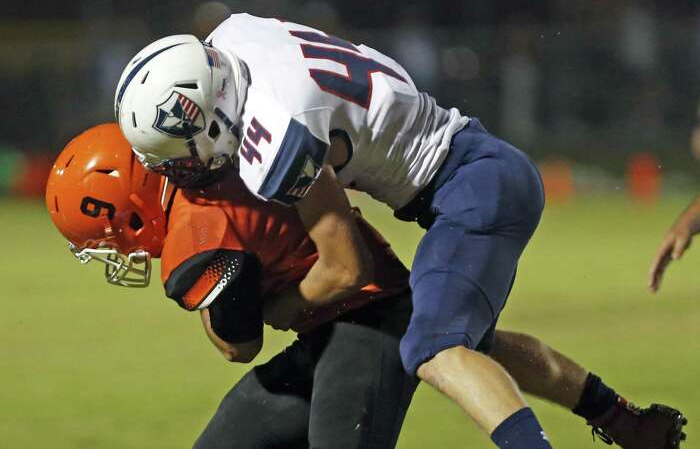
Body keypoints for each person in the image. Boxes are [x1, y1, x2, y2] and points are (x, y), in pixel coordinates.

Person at [48, 124, 687, 448]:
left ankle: (607, 416)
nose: (114, 249)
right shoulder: (224, 153)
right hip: (348, 320)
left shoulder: (195, 236)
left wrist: (245, 302)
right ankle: (614, 414)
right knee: (472, 349)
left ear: (128, 207)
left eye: (107, 234)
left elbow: (237, 343)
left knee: (444, 353)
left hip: (363, 321)